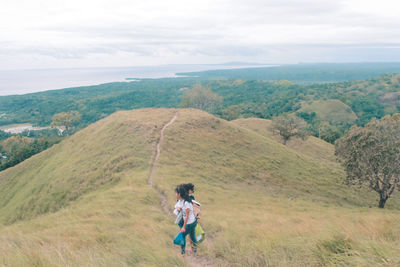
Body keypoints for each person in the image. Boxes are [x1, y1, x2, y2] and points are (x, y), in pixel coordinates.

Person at [174, 185, 197, 255]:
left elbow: (186, 216)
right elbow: (176, 205)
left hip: (190, 223)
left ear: (179, 194)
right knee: (192, 236)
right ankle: (194, 251)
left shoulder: (187, 203)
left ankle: (183, 253)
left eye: (176, 193)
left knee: (182, 236)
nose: (175, 195)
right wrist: (178, 208)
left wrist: (183, 227)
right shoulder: (181, 201)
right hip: (192, 222)